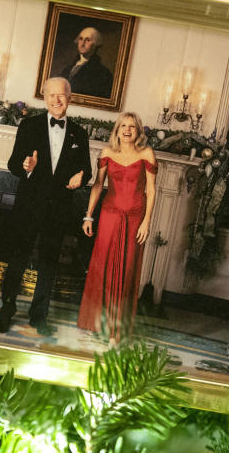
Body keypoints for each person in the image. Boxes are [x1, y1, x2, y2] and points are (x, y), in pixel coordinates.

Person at [0, 77, 93, 335]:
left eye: (61, 95)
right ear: (45, 98)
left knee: (49, 263)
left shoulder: (79, 134)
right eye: (52, 95)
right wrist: (27, 167)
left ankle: (39, 316)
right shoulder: (29, 126)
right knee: (18, 259)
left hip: (58, 210)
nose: (56, 100)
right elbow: (13, 164)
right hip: (28, 206)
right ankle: (7, 308)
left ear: (69, 99)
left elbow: (87, 172)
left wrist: (80, 178)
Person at [77, 112, 157, 343]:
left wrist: (147, 221)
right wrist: (89, 216)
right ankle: (97, 323)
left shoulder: (146, 154)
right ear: (117, 129)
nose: (127, 130)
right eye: (123, 125)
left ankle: (117, 331)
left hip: (134, 217)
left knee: (126, 270)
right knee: (102, 267)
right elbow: (98, 185)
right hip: (109, 215)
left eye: (132, 126)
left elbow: (151, 191)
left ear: (138, 130)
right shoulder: (107, 153)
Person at [58, 26, 114, 98]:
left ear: (96, 44)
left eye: (88, 40)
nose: (82, 43)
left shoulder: (103, 73)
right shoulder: (68, 68)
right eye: (80, 39)